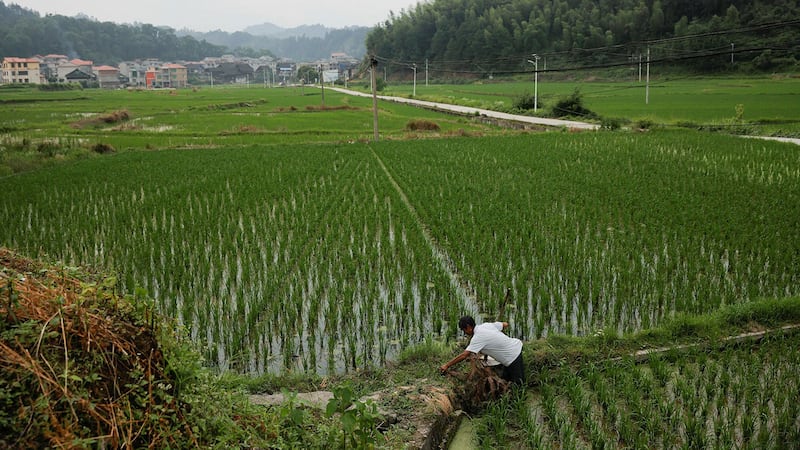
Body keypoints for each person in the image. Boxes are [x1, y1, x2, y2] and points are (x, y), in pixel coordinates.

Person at [439, 315, 525, 385]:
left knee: (518, 384)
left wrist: (447, 365)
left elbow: (464, 355)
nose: (465, 333)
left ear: (468, 327)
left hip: (512, 356)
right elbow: (505, 324)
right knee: (506, 379)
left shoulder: (477, 337)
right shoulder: (486, 325)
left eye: (464, 330)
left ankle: (520, 402)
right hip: (515, 346)